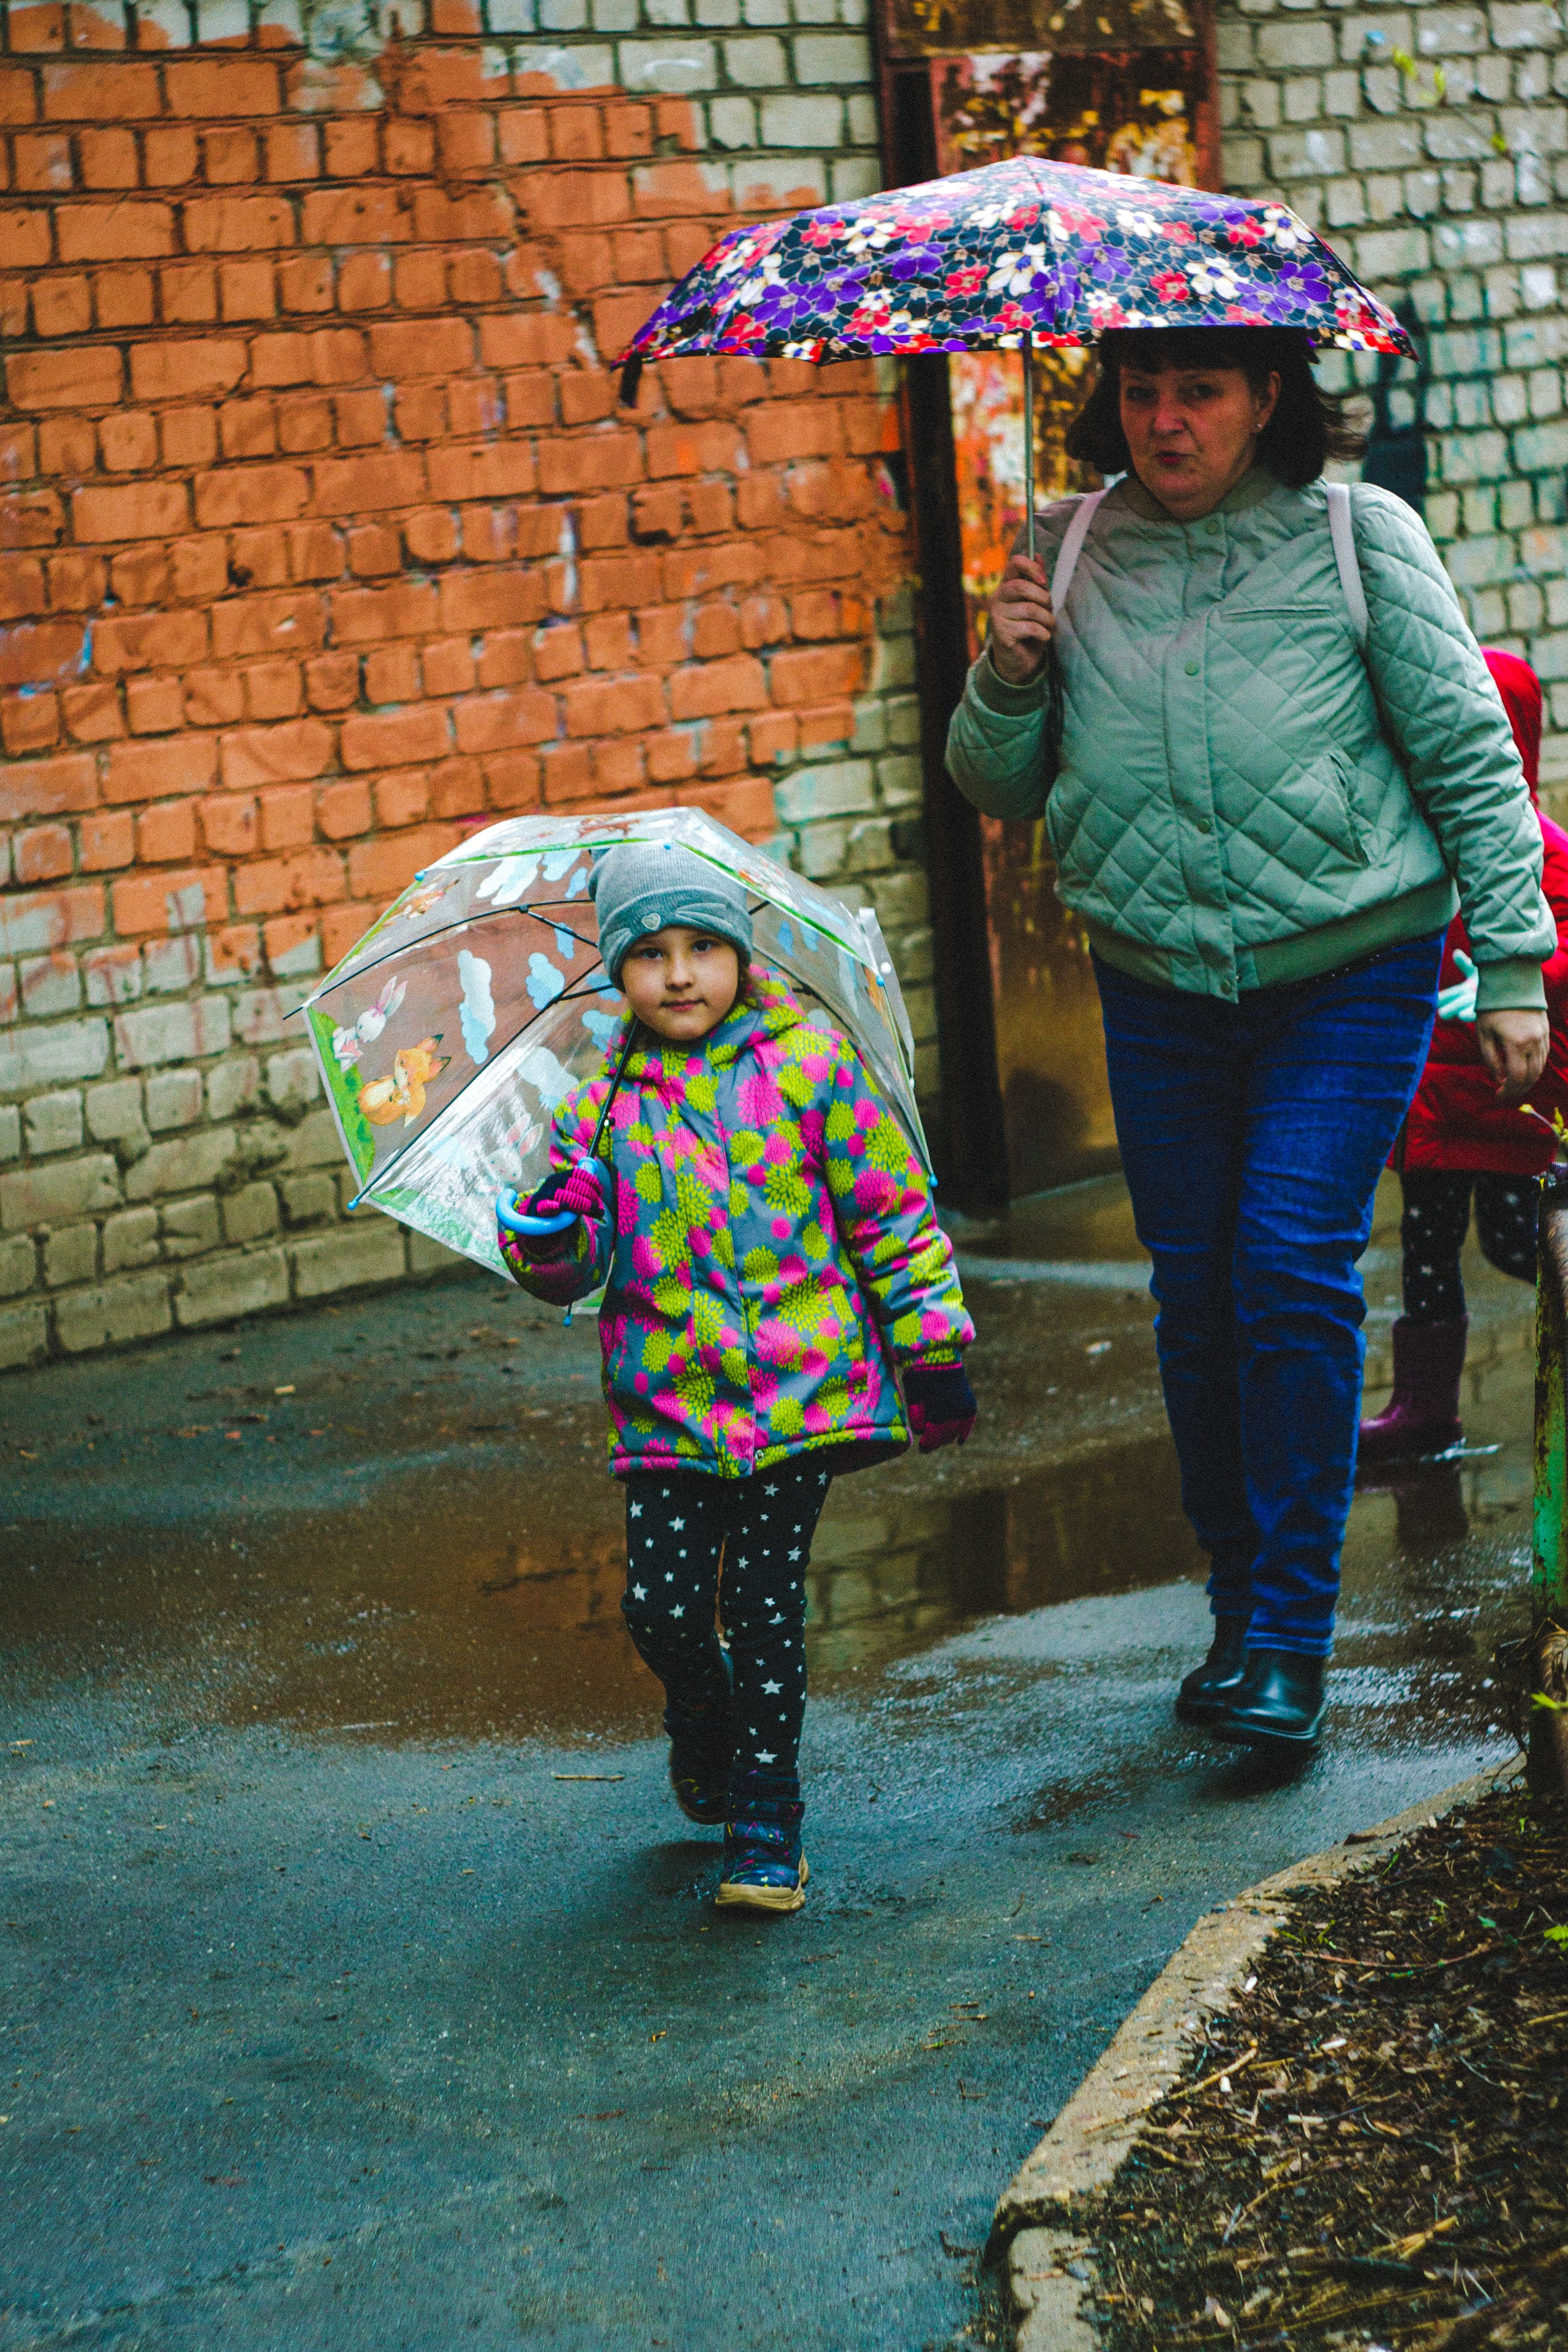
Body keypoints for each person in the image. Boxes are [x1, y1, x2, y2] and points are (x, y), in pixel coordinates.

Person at [946, 324, 1553, 1751]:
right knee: (1195, 1293)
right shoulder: (1067, 542)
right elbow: (997, 786)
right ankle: (1236, 1607)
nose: (1164, 421)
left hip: (1349, 966)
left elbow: (1468, 753)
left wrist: (1514, 963)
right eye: (1141, 391)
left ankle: (1286, 1636)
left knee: (1284, 1268)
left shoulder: (1357, 534)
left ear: (1265, 397)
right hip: (1156, 983)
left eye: (1198, 391)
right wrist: (1008, 666)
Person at [497, 842, 976, 1913]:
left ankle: (767, 1822)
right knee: (662, 1611)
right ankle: (699, 1716)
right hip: (668, 1402)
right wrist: (548, 1242)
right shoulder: (600, 1106)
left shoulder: (813, 1069)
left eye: (704, 947)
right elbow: (578, 1266)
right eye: (652, 954)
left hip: (796, 1401)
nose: (679, 975)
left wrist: (932, 1351)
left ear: (742, 955)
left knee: (763, 1609)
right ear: (616, 973)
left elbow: (894, 1220)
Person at [1360, 650, 1568, 1460]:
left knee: (1517, 1242)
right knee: (1428, 1242)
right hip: (1435, 1098)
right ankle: (1424, 1405)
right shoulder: (1413, 844)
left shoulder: (1539, 848)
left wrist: (1519, 970)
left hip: (1511, 1096)